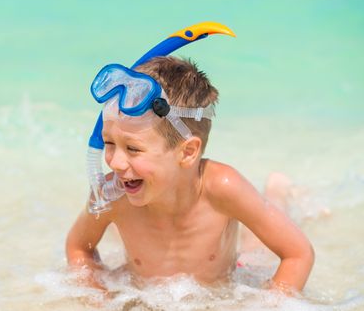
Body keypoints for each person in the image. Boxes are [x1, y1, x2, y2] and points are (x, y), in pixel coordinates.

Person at [65, 56, 314, 296]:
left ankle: (278, 190)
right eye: (109, 143)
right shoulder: (112, 196)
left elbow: (297, 254)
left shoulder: (221, 188)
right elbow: (79, 248)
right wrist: (99, 297)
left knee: (256, 251)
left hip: (231, 274)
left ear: (187, 152)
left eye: (133, 149)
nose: (115, 162)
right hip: (156, 293)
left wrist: (272, 304)